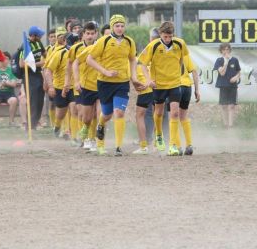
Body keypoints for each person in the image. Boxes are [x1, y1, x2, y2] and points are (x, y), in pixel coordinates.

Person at [87, 15, 143, 156]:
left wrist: (133, 77)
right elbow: (89, 59)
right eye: (117, 25)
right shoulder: (103, 41)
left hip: (122, 83)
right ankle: (100, 129)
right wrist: (105, 71)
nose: (120, 28)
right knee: (107, 114)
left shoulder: (129, 42)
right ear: (112, 27)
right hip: (105, 83)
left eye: (122, 25)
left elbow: (132, 60)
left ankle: (118, 147)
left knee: (119, 112)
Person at [138, 21, 190, 156]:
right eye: (165, 36)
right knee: (159, 112)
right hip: (159, 85)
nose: (168, 39)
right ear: (160, 34)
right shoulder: (153, 46)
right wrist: (149, 79)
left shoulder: (180, 44)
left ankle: (173, 145)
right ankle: (159, 135)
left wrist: (177, 74)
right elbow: (142, 64)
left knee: (174, 113)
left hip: (174, 84)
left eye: (170, 36)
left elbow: (180, 60)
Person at [71, 21, 99, 151]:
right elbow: (71, 65)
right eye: (87, 33)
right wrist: (74, 82)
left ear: (96, 34)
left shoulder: (101, 46)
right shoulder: (76, 48)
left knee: (97, 114)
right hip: (84, 85)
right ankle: (85, 135)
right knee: (85, 115)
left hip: (100, 85)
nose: (90, 36)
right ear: (82, 35)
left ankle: (92, 139)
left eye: (92, 34)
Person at [44, 27, 74, 138]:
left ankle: (71, 133)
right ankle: (57, 126)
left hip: (73, 86)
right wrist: (49, 85)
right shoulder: (55, 51)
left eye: (63, 35)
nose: (61, 38)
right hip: (59, 86)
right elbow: (47, 68)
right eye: (59, 36)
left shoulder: (76, 51)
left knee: (74, 108)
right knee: (61, 112)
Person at [19, 25, 47, 130]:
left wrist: (44, 62)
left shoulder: (39, 43)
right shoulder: (25, 46)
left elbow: (46, 55)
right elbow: (22, 64)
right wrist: (39, 63)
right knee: (33, 101)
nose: (41, 37)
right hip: (29, 76)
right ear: (33, 35)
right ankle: (29, 127)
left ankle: (34, 124)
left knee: (40, 101)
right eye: (39, 35)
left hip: (39, 75)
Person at [177, 52, 201, 155]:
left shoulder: (169, 54)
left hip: (175, 86)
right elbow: (194, 72)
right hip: (187, 87)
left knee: (173, 117)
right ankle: (189, 144)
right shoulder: (186, 56)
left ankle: (177, 146)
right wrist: (197, 90)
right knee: (183, 117)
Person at [213, 43, 241, 128]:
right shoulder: (219, 60)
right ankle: (225, 124)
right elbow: (222, 73)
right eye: (224, 49)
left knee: (231, 106)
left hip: (232, 86)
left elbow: (239, 71)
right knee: (224, 106)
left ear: (230, 50)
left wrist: (236, 77)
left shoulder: (235, 60)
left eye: (227, 49)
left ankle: (230, 125)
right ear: (221, 51)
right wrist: (226, 62)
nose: (226, 51)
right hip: (223, 85)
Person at [0, 52, 21, 127]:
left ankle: (11, 122)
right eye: (2, 58)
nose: (4, 60)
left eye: (6, 59)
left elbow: (13, 84)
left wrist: (5, 83)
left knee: (14, 100)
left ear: (9, 60)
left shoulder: (11, 71)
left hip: (9, 93)